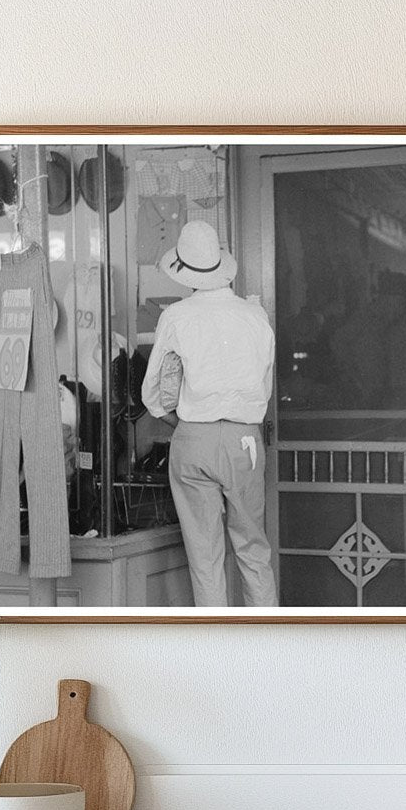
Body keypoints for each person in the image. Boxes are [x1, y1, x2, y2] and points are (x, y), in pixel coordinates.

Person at [141, 220, 278, 607]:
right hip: (245, 440)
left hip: (194, 439)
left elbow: (154, 394)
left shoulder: (177, 317)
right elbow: (262, 389)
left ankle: (215, 652)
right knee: (253, 551)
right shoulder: (256, 317)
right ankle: (268, 648)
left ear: (185, 273)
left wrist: (182, 419)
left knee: (205, 557)